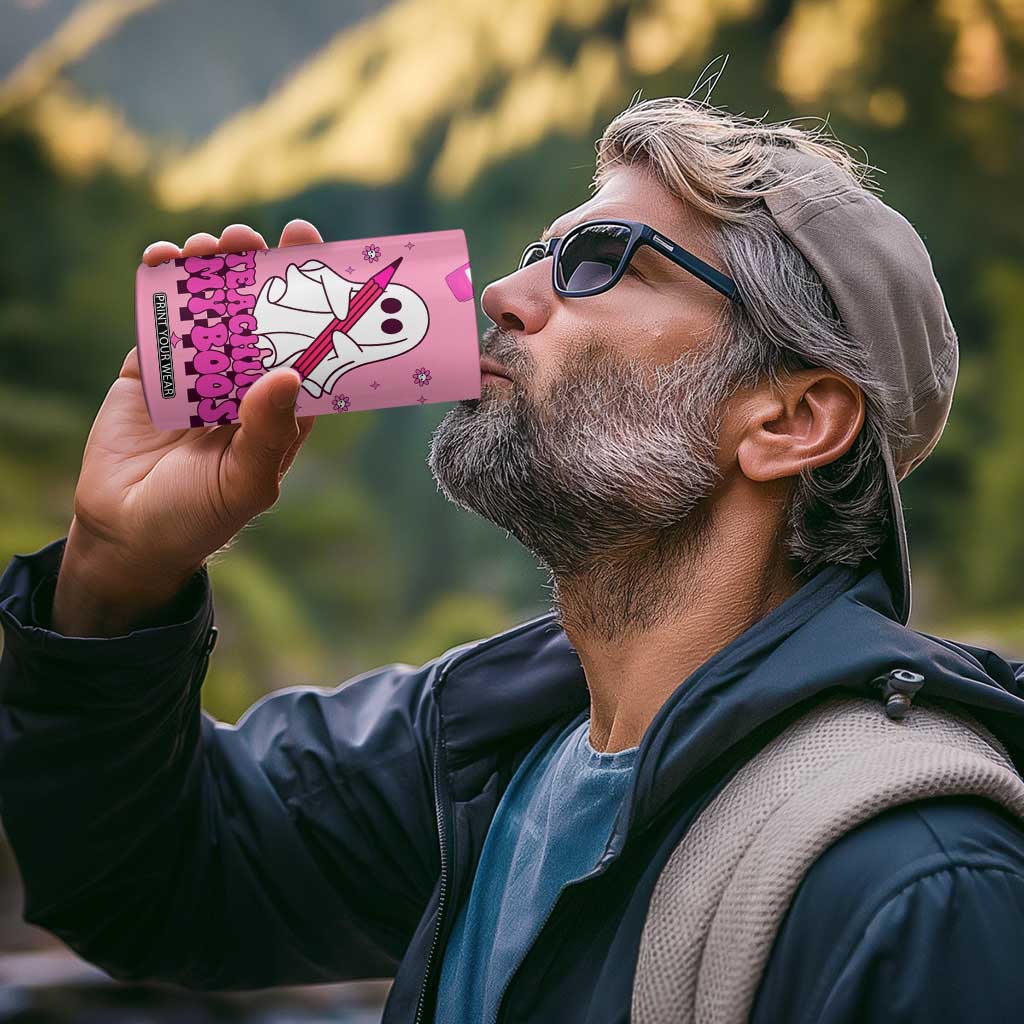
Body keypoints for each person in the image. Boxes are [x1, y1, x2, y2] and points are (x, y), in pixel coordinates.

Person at [2, 94, 1024, 1024]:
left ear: (790, 419)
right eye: (540, 252)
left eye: (599, 261)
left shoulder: (918, 884)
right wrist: (115, 572)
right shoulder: (479, 749)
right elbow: (149, 880)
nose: (501, 292)